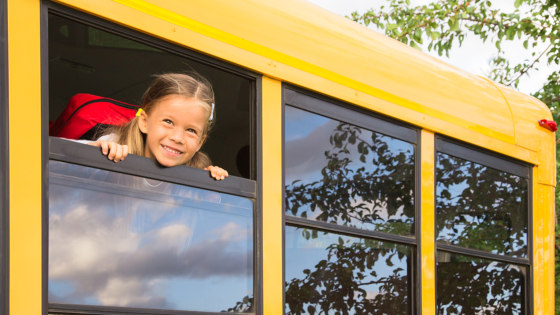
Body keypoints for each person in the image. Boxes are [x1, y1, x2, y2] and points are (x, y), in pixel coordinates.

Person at [90, 72, 228, 180]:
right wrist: (93, 153)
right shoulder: (114, 145)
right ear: (144, 122)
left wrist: (211, 184)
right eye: (168, 122)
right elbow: (69, 158)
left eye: (191, 130)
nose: (178, 138)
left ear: (200, 142)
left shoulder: (198, 173)